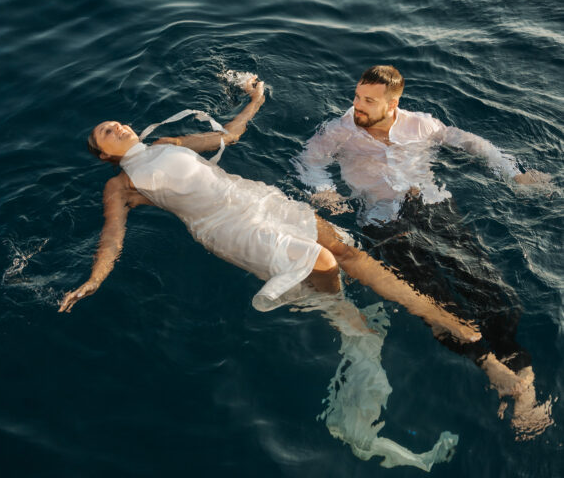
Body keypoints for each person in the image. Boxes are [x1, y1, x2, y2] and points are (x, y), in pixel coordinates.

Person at [58, 77, 480, 352]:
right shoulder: (121, 185)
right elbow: (112, 235)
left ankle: (437, 317)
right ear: (103, 155)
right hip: (225, 227)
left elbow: (230, 135)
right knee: (323, 263)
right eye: (106, 133)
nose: (117, 128)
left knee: (347, 255)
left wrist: (256, 100)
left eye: (116, 123)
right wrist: (94, 279)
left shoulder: (169, 142)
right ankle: (346, 320)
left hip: (253, 198)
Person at [296, 65, 553, 438]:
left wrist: (512, 173)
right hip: (383, 222)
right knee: (433, 299)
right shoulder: (337, 131)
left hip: (434, 208)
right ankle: (488, 365)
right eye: (356, 96)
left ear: (393, 103)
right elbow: (309, 163)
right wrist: (325, 193)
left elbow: (471, 142)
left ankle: (523, 386)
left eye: (368, 100)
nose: (357, 106)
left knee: (497, 296)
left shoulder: (421, 124)